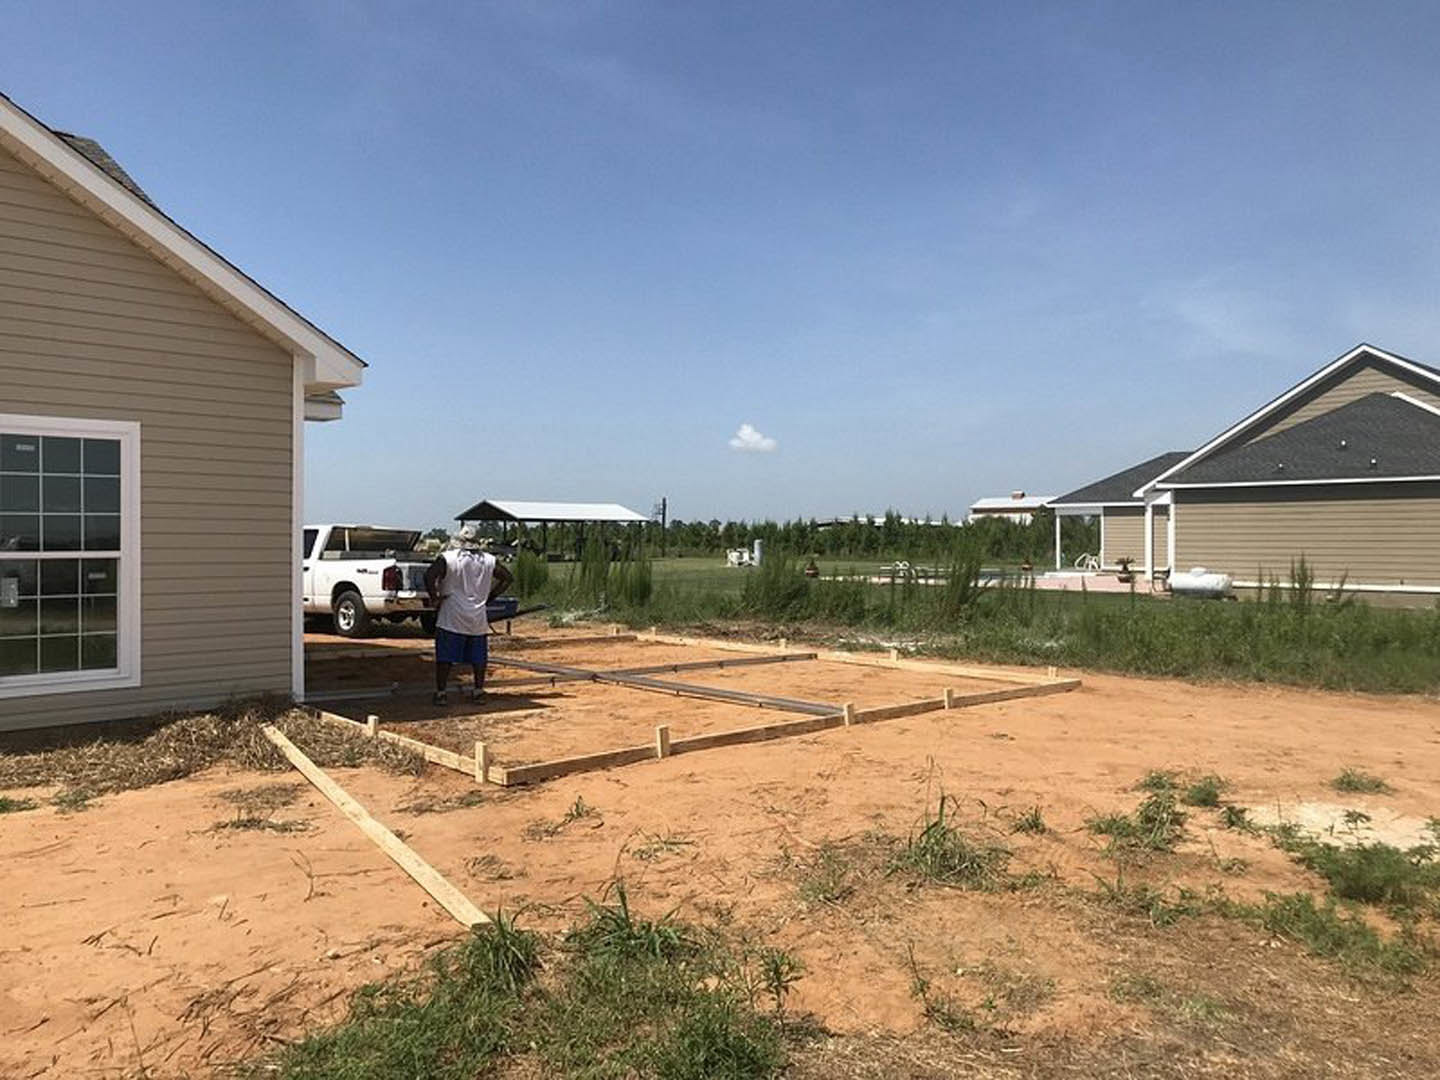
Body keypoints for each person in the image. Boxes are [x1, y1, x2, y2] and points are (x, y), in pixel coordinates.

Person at [423, 525, 513, 706]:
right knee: (478, 657)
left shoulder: (449, 559)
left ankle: (441, 693)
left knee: (445, 657)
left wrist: (435, 598)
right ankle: (478, 691)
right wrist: (490, 597)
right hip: (477, 616)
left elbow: (429, 575)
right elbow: (507, 578)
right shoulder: (489, 560)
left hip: (452, 614)